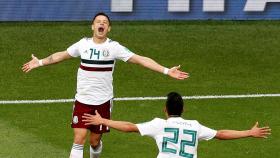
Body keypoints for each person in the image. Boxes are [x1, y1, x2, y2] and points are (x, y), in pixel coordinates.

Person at [22, 13, 189, 158]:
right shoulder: (83, 44)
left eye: (105, 22)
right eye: (98, 21)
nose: (101, 23)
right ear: (92, 26)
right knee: (79, 138)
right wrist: (40, 62)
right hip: (82, 100)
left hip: (103, 102)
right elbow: (61, 55)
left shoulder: (113, 47)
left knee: (94, 142)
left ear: (108, 28)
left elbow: (140, 59)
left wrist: (167, 71)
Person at [82, 92, 271, 158]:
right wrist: (249, 132)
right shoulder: (195, 126)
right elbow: (221, 133)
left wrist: (103, 121)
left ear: (165, 110)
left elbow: (129, 126)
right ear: (183, 109)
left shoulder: (158, 125)